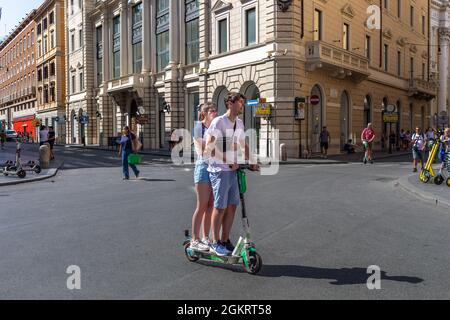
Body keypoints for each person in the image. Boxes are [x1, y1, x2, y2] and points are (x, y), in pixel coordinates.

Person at [204, 92, 259, 256]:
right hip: (220, 170)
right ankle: (215, 242)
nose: (242, 105)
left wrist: (252, 160)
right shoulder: (219, 122)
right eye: (240, 102)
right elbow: (209, 148)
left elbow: (243, 144)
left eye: (243, 102)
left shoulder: (239, 123)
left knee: (232, 206)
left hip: (234, 170)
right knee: (220, 207)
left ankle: (225, 240)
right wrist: (227, 161)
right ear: (230, 103)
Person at [190, 102, 218, 252]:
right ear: (205, 113)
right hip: (203, 168)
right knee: (201, 205)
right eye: (211, 111)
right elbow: (203, 150)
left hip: (215, 167)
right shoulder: (199, 127)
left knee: (211, 205)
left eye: (215, 110)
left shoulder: (214, 128)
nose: (214, 112)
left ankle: (206, 237)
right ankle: (195, 239)